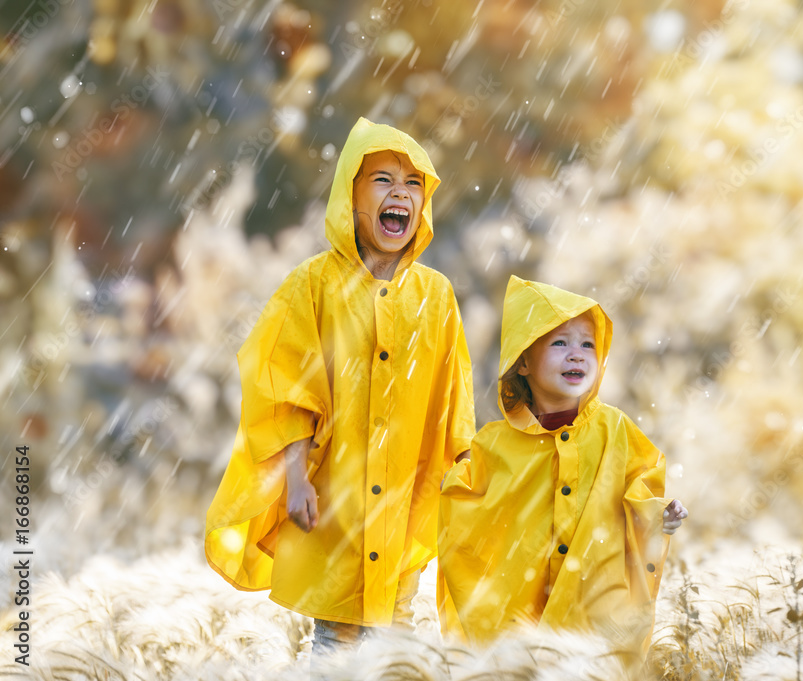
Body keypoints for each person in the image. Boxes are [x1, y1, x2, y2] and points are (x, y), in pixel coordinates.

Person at [205, 117, 476, 657]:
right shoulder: (314, 285)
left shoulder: (436, 296)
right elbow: (284, 386)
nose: (399, 193)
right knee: (339, 633)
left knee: (394, 631)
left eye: (413, 183)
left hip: (402, 503)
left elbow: (452, 402)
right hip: (335, 501)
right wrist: (297, 477)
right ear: (349, 195)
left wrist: (457, 483)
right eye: (381, 180)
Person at [437, 275, 687, 655]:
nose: (578, 354)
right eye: (560, 343)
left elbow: (641, 484)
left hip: (593, 608)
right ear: (523, 362)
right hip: (521, 612)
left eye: (588, 344)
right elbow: (463, 515)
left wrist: (658, 514)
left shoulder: (615, 429)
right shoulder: (493, 444)